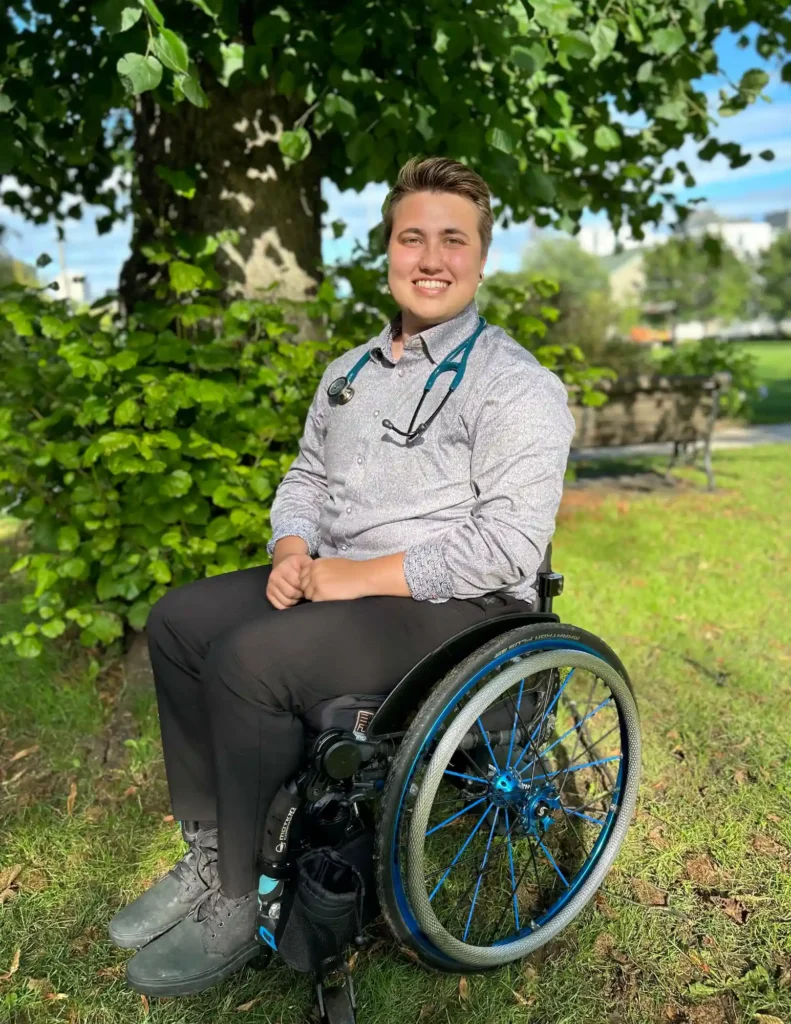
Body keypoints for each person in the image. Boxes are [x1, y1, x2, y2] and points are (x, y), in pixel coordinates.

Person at [107, 156, 577, 997]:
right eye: (412, 238)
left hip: (459, 606)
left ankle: (242, 901)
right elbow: (307, 481)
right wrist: (292, 550)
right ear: (387, 251)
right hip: (341, 579)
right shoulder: (351, 374)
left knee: (252, 662)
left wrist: (352, 578)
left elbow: (507, 545)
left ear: (481, 256)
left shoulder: (517, 387)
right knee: (180, 622)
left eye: (452, 240)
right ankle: (216, 847)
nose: (431, 259)